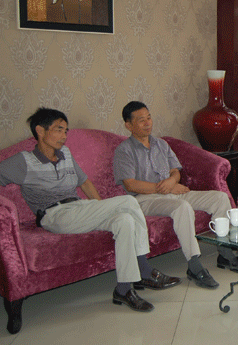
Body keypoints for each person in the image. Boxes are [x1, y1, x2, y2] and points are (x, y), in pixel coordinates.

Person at [0, 108, 180, 313]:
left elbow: (85, 183)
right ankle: (144, 270)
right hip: (54, 215)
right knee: (129, 202)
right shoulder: (24, 161)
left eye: (66, 130)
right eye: (59, 130)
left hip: (80, 208)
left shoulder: (65, 154)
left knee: (124, 220)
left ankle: (124, 289)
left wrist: (103, 209)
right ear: (40, 131)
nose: (64, 136)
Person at [113, 101, 238, 291]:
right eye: (141, 120)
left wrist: (172, 181)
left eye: (149, 118)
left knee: (219, 198)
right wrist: (164, 187)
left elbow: (175, 171)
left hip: (172, 192)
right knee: (182, 207)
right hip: (145, 199)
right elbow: (130, 184)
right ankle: (194, 265)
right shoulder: (124, 150)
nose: (148, 123)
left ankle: (225, 253)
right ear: (128, 125)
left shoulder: (161, 144)